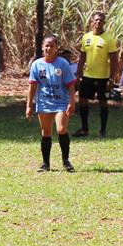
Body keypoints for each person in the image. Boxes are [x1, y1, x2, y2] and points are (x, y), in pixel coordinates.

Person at [27, 35, 76, 172]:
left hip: (61, 102)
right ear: (42, 47)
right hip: (44, 103)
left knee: (61, 129)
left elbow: (71, 86)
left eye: (52, 46)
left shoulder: (63, 64)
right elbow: (32, 87)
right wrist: (29, 105)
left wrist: (71, 102)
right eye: (46, 46)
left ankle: (66, 161)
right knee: (46, 132)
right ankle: (45, 163)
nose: (49, 48)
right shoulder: (37, 65)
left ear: (56, 48)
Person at [74, 12, 118, 138]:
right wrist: (78, 73)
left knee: (103, 102)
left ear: (104, 22)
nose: (98, 22)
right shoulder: (86, 37)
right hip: (87, 76)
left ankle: (103, 131)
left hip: (103, 78)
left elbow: (114, 60)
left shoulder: (109, 39)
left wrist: (112, 78)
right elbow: (82, 56)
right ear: (92, 22)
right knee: (82, 101)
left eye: (100, 20)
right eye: (96, 20)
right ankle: (84, 129)